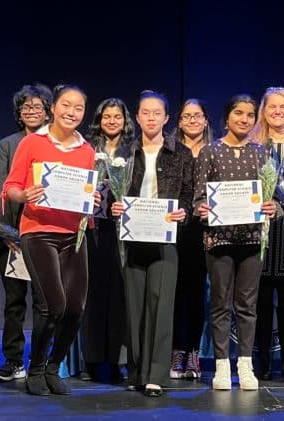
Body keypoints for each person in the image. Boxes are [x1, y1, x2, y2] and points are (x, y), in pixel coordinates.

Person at [2, 85, 98, 396]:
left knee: (75, 309)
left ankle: (54, 366)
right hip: (39, 231)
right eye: (66, 105)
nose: (72, 112)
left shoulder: (87, 151)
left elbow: (87, 197)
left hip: (75, 234)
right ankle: (36, 366)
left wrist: (93, 200)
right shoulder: (32, 143)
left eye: (79, 108)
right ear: (53, 108)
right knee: (52, 305)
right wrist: (23, 194)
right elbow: (11, 187)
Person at [110, 90, 193, 397]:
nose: (151, 118)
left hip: (165, 238)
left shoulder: (181, 153)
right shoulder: (125, 154)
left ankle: (156, 374)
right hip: (133, 237)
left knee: (161, 306)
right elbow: (111, 194)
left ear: (167, 118)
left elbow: (188, 195)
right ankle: (135, 371)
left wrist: (184, 213)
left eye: (157, 113)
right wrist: (113, 207)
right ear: (137, 116)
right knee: (134, 307)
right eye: (145, 112)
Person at [194, 94, 276, 390]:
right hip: (219, 240)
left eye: (250, 115)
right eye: (238, 113)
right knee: (219, 303)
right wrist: (202, 209)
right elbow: (198, 199)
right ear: (227, 117)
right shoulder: (210, 152)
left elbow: (273, 198)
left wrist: (272, 208)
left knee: (247, 305)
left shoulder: (261, 152)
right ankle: (221, 365)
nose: (244, 119)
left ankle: (245, 364)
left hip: (252, 240)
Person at [0, 83, 54, 383]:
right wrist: (7, 233)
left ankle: (42, 360)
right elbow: (1, 189)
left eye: (37, 107)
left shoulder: (56, 143)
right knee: (14, 302)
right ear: (19, 113)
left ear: (47, 111)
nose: (31, 111)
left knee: (46, 302)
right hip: (14, 238)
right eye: (25, 107)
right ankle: (13, 360)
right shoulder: (8, 144)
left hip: (47, 236)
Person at [249, 87, 284, 382]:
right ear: (264, 111)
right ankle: (262, 359)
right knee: (259, 295)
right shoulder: (253, 146)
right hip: (260, 228)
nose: (278, 112)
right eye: (272, 107)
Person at [80, 97, 135, 383]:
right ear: (99, 120)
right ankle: (91, 360)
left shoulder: (133, 151)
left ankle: (116, 361)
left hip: (124, 231)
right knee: (94, 295)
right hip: (93, 230)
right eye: (107, 117)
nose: (112, 121)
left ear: (126, 121)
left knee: (119, 297)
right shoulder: (88, 150)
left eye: (118, 117)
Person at [169, 98, 212, 380]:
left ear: (206, 120)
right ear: (180, 122)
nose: (192, 121)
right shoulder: (171, 151)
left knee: (197, 292)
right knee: (175, 291)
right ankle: (177, 350)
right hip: (175, 228)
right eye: (187, 116)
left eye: (197, 116)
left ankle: (194, 351)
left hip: (205, 229)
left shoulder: (215, 150)